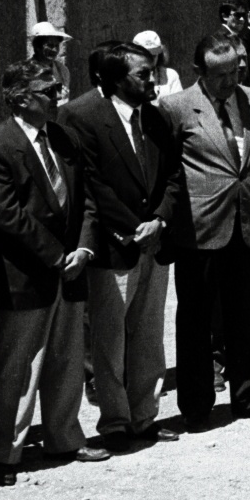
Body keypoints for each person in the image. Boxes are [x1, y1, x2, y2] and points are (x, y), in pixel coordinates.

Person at [0, 60, 106, 488]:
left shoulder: (62, 139)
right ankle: (4, 451)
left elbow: (85, 197)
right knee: (17, 366)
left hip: (70, 268)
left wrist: (83, 247)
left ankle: (64, 436)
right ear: (21, 98)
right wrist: (56, 255)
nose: (58, 96)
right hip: (25, 274)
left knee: (67, 357)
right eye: (48, 91)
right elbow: (7, 215)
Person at [59, 41, 181, 450]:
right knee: (109, 340)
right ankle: (115, 421)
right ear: (113, 80)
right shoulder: (81, 116)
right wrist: (135, 227)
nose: (152, 80)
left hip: (155, 242)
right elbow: (93, 184)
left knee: (148, 334)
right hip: (116, 246)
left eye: (153, 71)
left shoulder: (157, 117)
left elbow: (173, 176)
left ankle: (144, 415)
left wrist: (160, 219)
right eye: (142, 74)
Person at [161, 31, 250, 430]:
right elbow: (167, 167)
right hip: (199, 227)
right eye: (220, 75)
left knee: (242, 313)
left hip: (246, 221)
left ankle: (246, 395)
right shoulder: (176, 107)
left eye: (235, 71)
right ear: (198, 72)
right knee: (195, 318)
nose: (230, 82)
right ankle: (197, 406)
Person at [133, 30, 184, 100]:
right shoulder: (130, 77)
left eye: (153, 56)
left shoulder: (170, 75)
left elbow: (178, 104)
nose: (150, 60)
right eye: (145, 56)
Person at [29, 21, 73, 97]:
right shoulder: (27, 71)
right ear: (37, 46)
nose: (55, 50)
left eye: (57, 46)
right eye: (50, 45)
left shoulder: (62, 71)